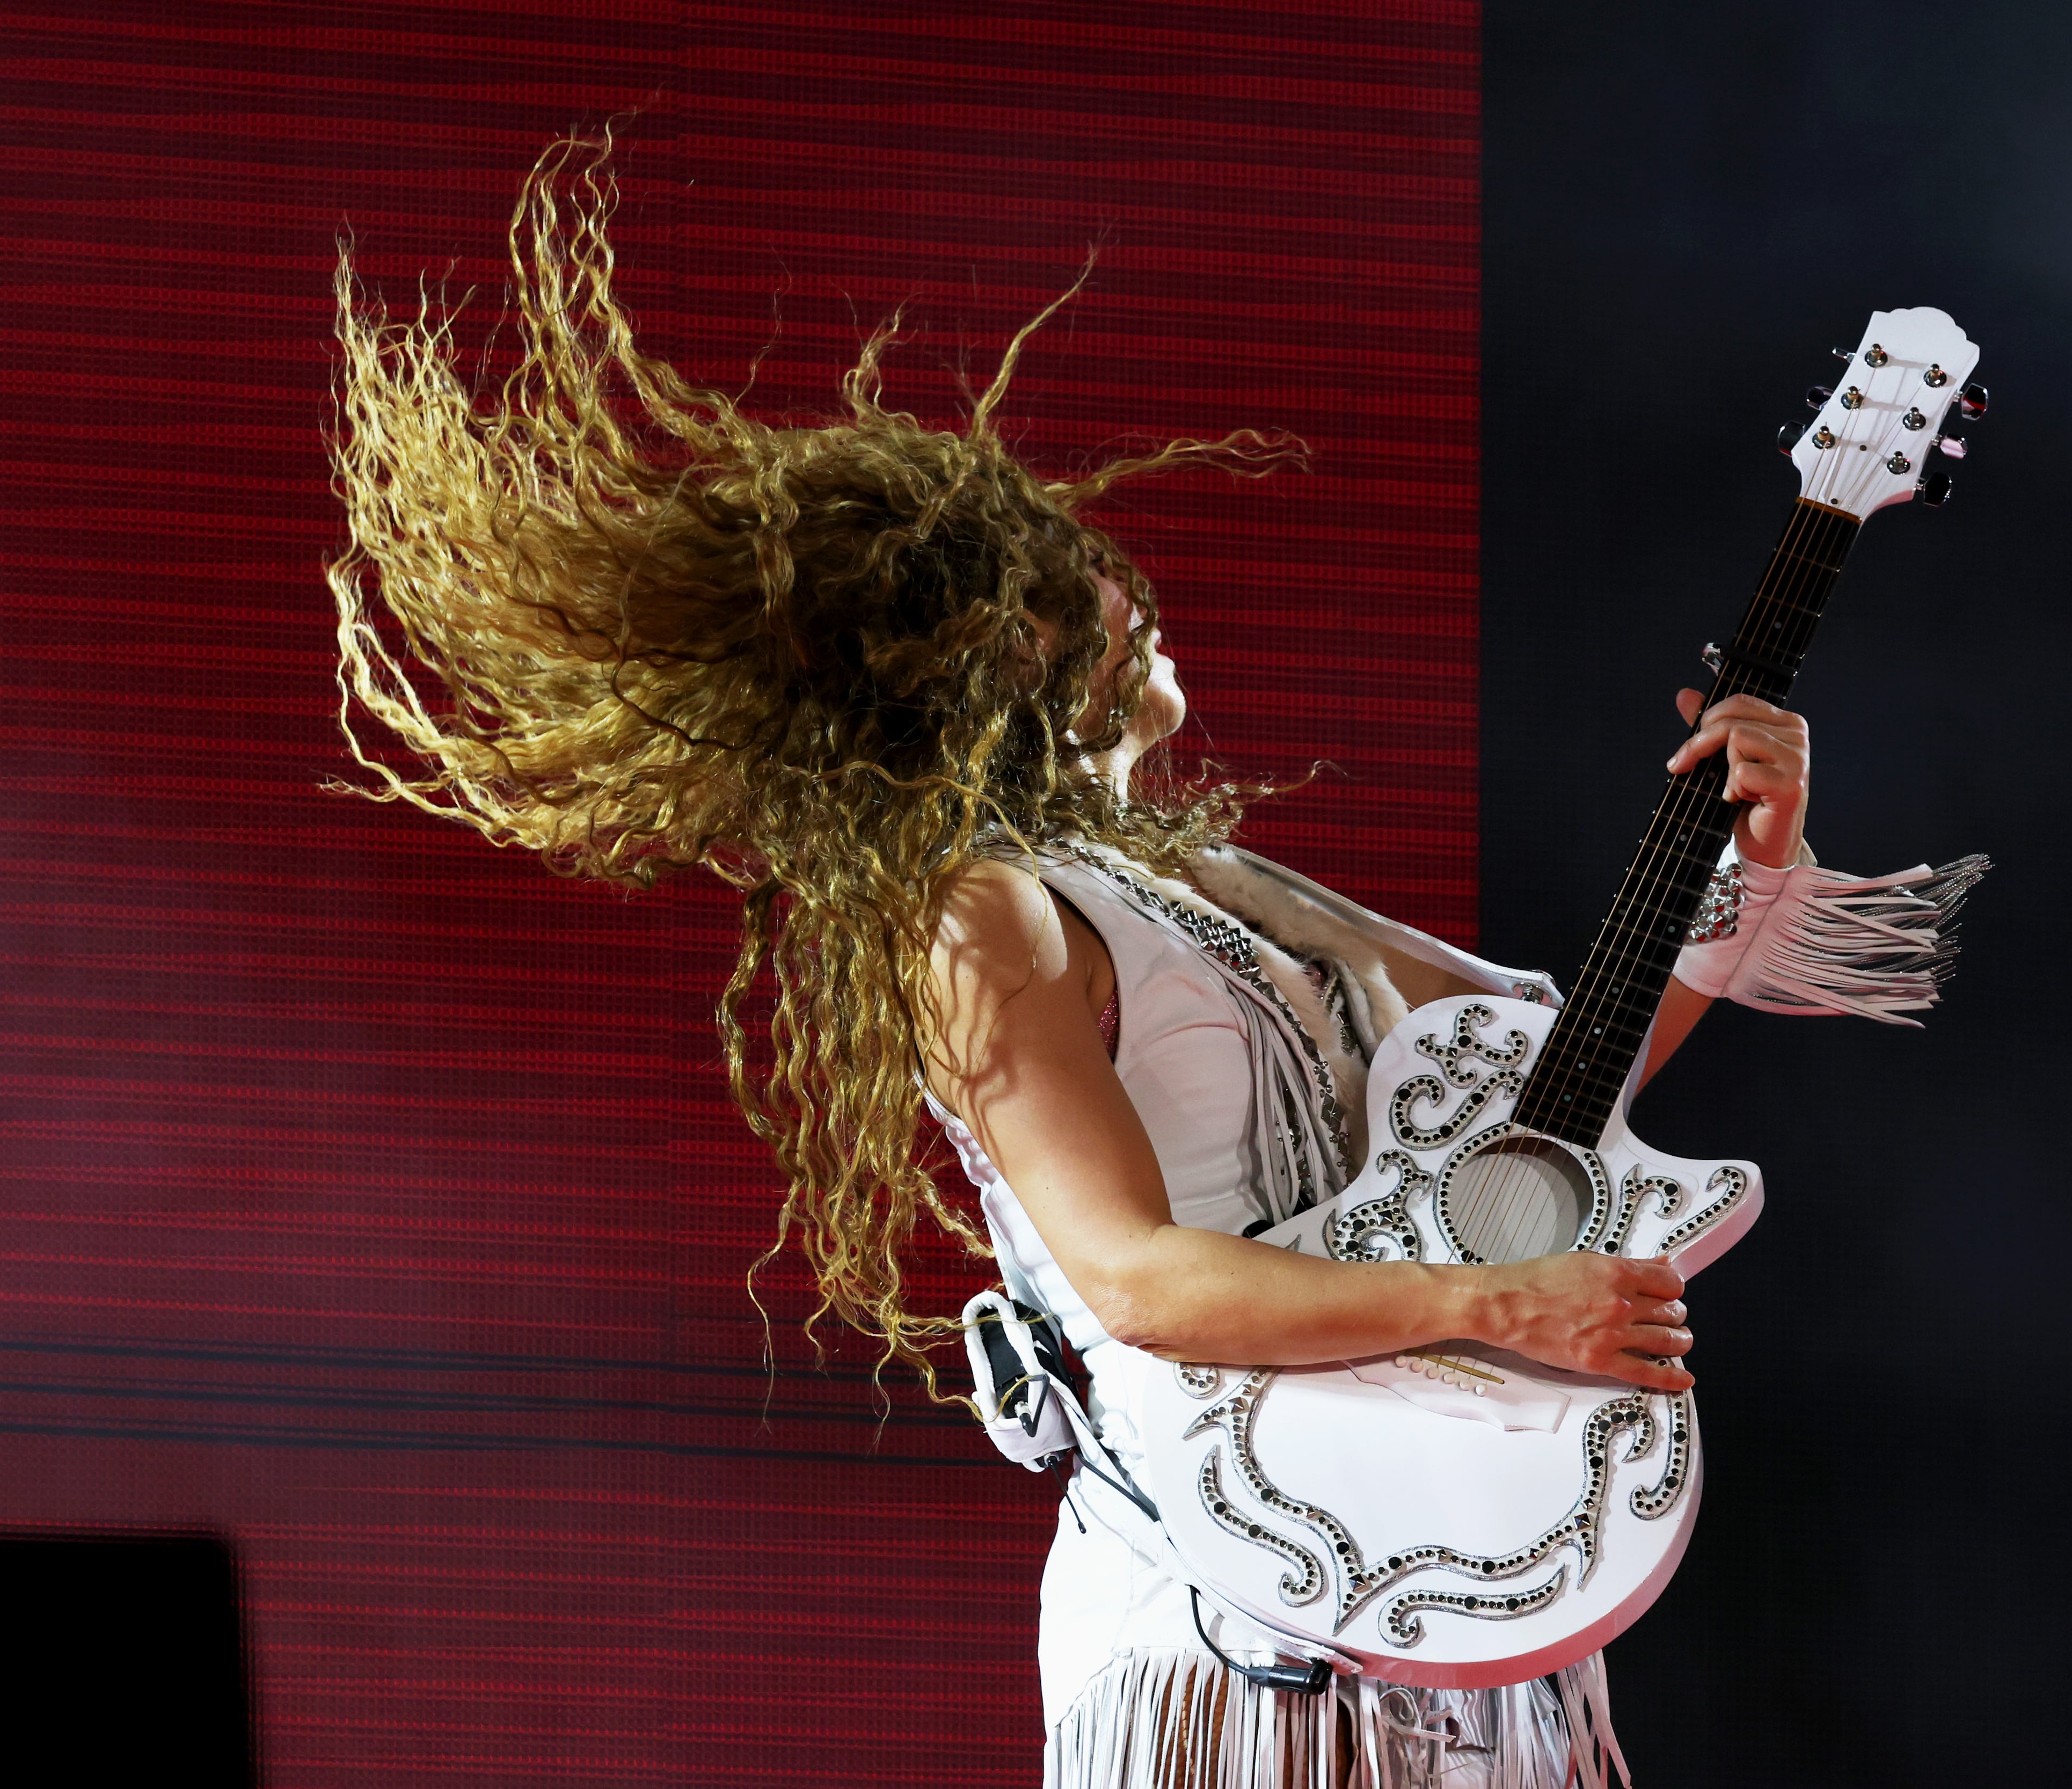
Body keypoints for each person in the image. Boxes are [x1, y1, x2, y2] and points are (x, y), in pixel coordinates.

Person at [329, 135, 1972, 1789]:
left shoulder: (1216, 880)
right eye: (1072, 583)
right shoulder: (978, 908)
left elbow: (1545, 1095)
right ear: (989, 648)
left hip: (1460, 1556)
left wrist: (1752, 867)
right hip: (1232, 1608)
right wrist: (1499, 1301)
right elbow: (1131, 1278)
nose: (1128, 592)